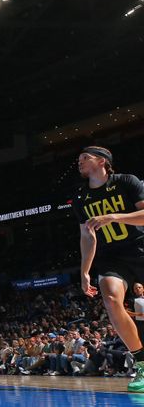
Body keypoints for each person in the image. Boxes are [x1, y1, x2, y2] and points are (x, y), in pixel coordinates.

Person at [75, 146, 144, 392]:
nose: (79, 161)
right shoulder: (81, 197)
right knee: (111, 299)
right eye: (79, 158)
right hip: (111, 258)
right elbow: (87, 236)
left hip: (139, 247)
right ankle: (142, 362)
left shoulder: (127, 181)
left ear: (102, 161)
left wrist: (114, 217)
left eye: (85, 157)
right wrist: (85, 270)